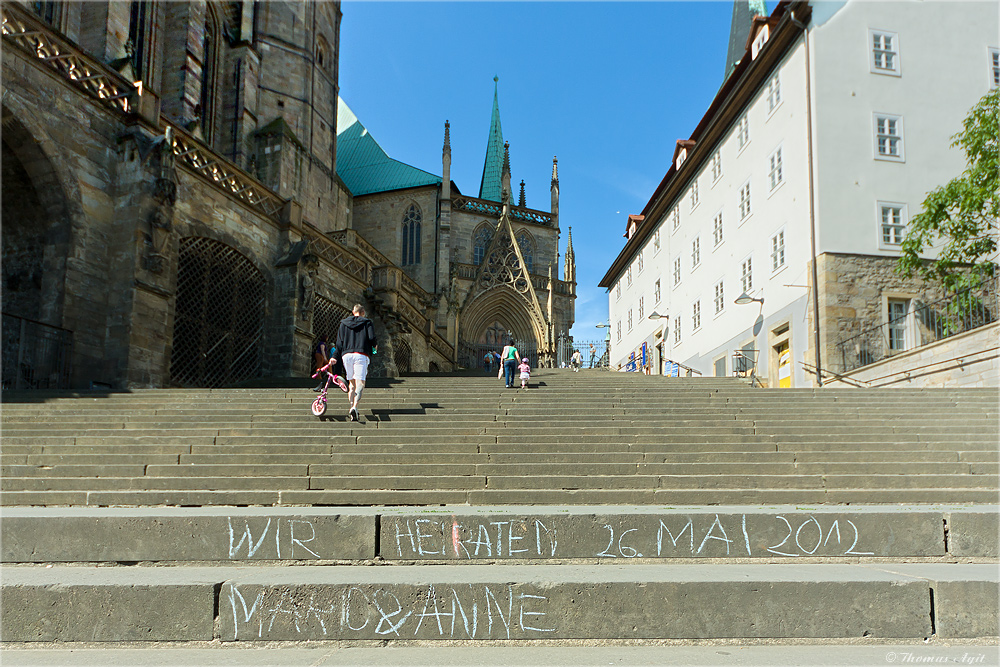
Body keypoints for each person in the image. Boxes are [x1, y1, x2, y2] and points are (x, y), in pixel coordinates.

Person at [336, 304, 378, 422]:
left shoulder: (343, 323)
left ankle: (351, 407)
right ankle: (354, 407)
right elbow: (371, 338)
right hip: (361, 354)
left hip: (347, 355)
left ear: (353, 312)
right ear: (363, 312)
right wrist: (375, 347)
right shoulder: (367, 322)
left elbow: (339, 343)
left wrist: (335, 356)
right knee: (360, 383)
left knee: (351, 384)